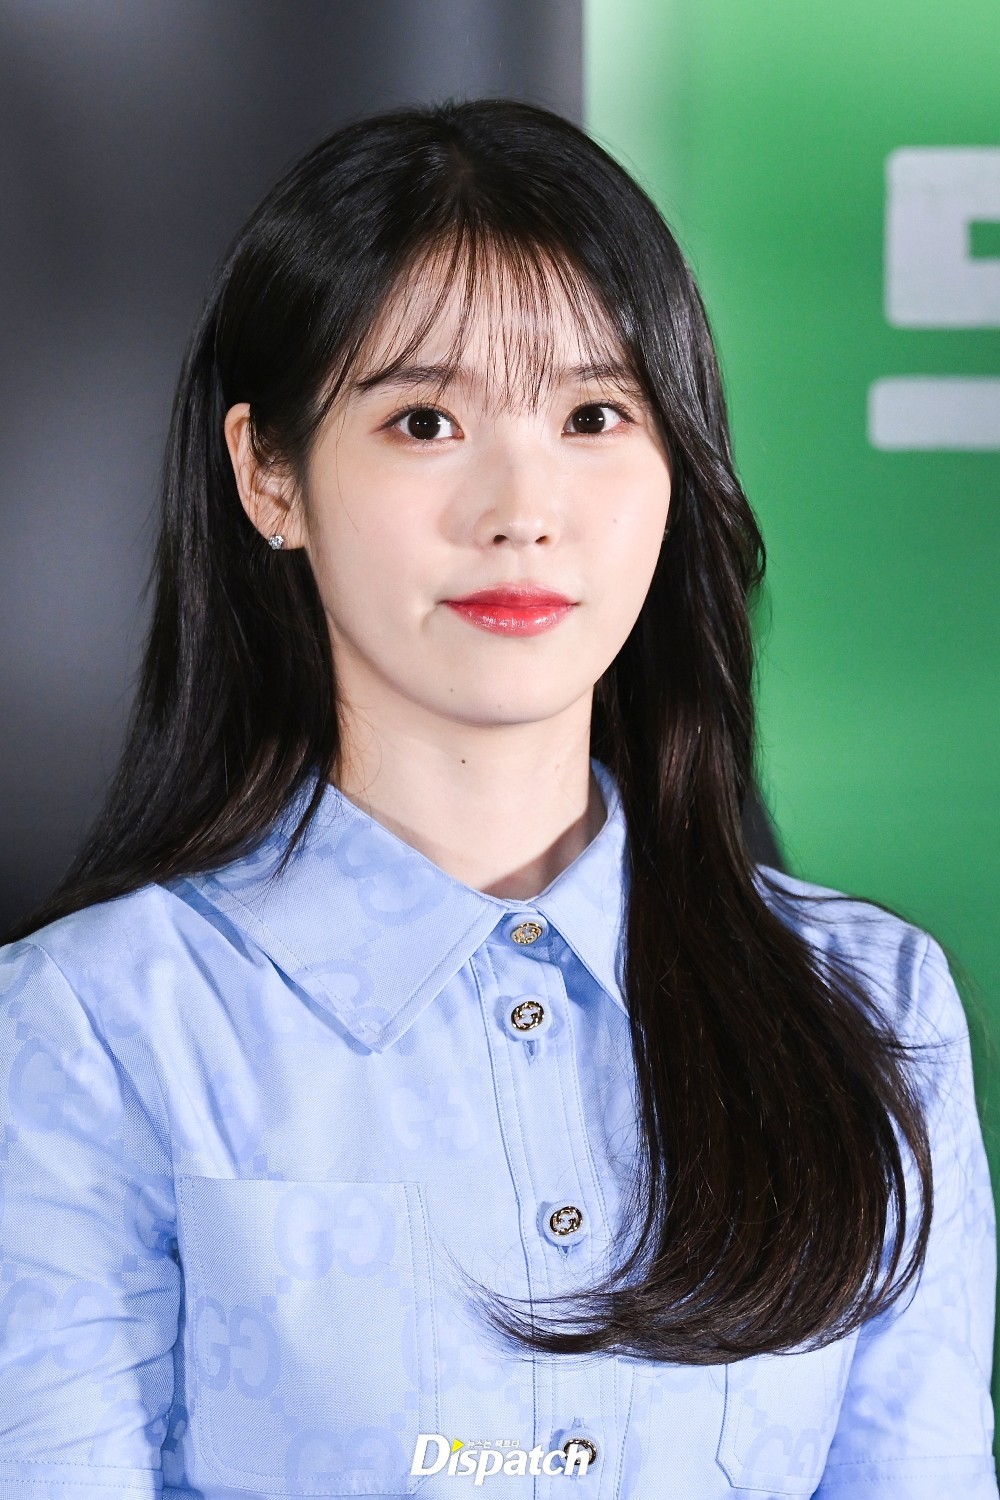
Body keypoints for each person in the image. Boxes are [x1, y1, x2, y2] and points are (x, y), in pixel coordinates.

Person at [0, 98, 995, 1500]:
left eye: (594, 415)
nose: (522, 507)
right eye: (425, 420)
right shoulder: (96, 1027)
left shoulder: (874, 1006)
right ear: (270, 475)